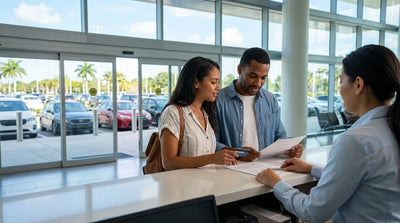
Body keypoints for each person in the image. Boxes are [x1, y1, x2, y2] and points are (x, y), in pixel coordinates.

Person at [256, 44, 400, 222]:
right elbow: (366, 179)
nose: (339, 90)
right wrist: (311, 168)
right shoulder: (391, 128)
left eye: (341, 81)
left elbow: (312, 211)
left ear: (358, 84)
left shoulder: (356, 140)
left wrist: (276, 183)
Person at [215, 47, 303, 161]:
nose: (258, 83)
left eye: (263, 78)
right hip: (231, 169)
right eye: (252, 76)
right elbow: (211, 143)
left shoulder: (270, 99)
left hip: (265, 167)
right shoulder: (218, 100)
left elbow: (279, 134)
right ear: (240, 69)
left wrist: (291, 149)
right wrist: (239, 153)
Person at [159, 56, 239, 170]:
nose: (218, 87)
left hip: (208, 185)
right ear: (196, 82)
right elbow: (169, 163)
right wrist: (211, 158)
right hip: (183, 186)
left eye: (218, 82)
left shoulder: (205, 113)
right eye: (213, 82)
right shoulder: (173, 113)